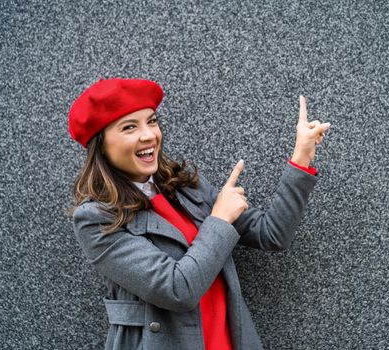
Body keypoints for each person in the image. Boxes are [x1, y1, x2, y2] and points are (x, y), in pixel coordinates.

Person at [68, 77, 331, 350]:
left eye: (152, 121)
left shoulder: (185, 186)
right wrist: (218, 220)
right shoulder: (96, 218)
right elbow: (176, 289)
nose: (148, 135)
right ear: (101, 145)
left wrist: (301, 157)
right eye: (129, 127)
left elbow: (272, 233)